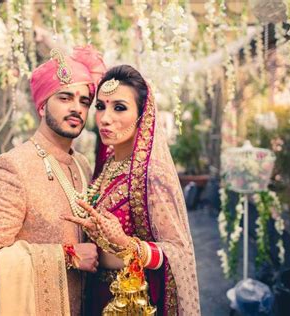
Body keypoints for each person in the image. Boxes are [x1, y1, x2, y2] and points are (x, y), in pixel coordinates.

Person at [0, 46, 106, 316]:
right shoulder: (13, 167)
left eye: (84, 101)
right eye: (65, 97)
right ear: (42, 105)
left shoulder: (82, 164)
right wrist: (68, 256)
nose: (77, 108)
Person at [62, 65, 201, 315]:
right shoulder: (106, 165)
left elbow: (178, 252)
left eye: (119, 107)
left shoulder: (153, 175)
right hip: (96, 296)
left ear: (142, 115)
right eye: (101, 107)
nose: (105, 118)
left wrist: (126, 244)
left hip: (129, 303)